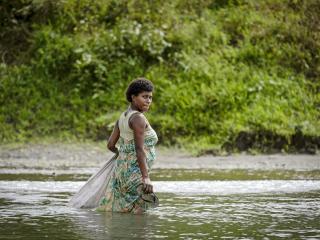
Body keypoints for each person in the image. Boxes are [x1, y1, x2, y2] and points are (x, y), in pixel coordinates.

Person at [68, 77, 159, 214]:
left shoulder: (123, 117)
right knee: (138, 211)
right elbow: (139, 149)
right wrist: (145, 177)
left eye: (150, 97)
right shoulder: (138, 119)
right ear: (133, 97)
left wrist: (122, 155)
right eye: (144, 96)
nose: (148, 101)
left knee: (124, 206)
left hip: (122, 169)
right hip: (135, 172)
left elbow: (110, 145)